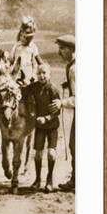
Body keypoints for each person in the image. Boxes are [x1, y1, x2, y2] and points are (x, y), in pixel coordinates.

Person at [49, 34, 76, 191]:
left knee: (75, 145)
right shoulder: (71, 66)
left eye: (62, 48)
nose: (59, 52)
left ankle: (76, 182)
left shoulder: (74, 68)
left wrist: (61, 103)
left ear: (71, 49)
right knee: (74, 145)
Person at [30, 64, 61, 192]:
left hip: (51, 125)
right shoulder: (34, 87)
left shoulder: (53, 89)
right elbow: (23, 90)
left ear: (49, 75)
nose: (41, 76)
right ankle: (37, 179)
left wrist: (46, 118)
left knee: (51, 154)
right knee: (37, 154)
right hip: (39, 126)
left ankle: (49, 179)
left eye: (44, 73)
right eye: (39, 73)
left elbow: (57, 111)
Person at [10, 16, 42, 117]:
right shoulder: (17, 46)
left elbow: (38, 61)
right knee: (13, 95)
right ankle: (13, 115)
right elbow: (11, 61)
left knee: (30, 96)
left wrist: (37, 73)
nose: (28, 39)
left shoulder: (33, 47)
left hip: (29, 76)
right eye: (26, 36)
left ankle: (32, 115)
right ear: (22, 34)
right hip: (16, 76)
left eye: (31, 37)